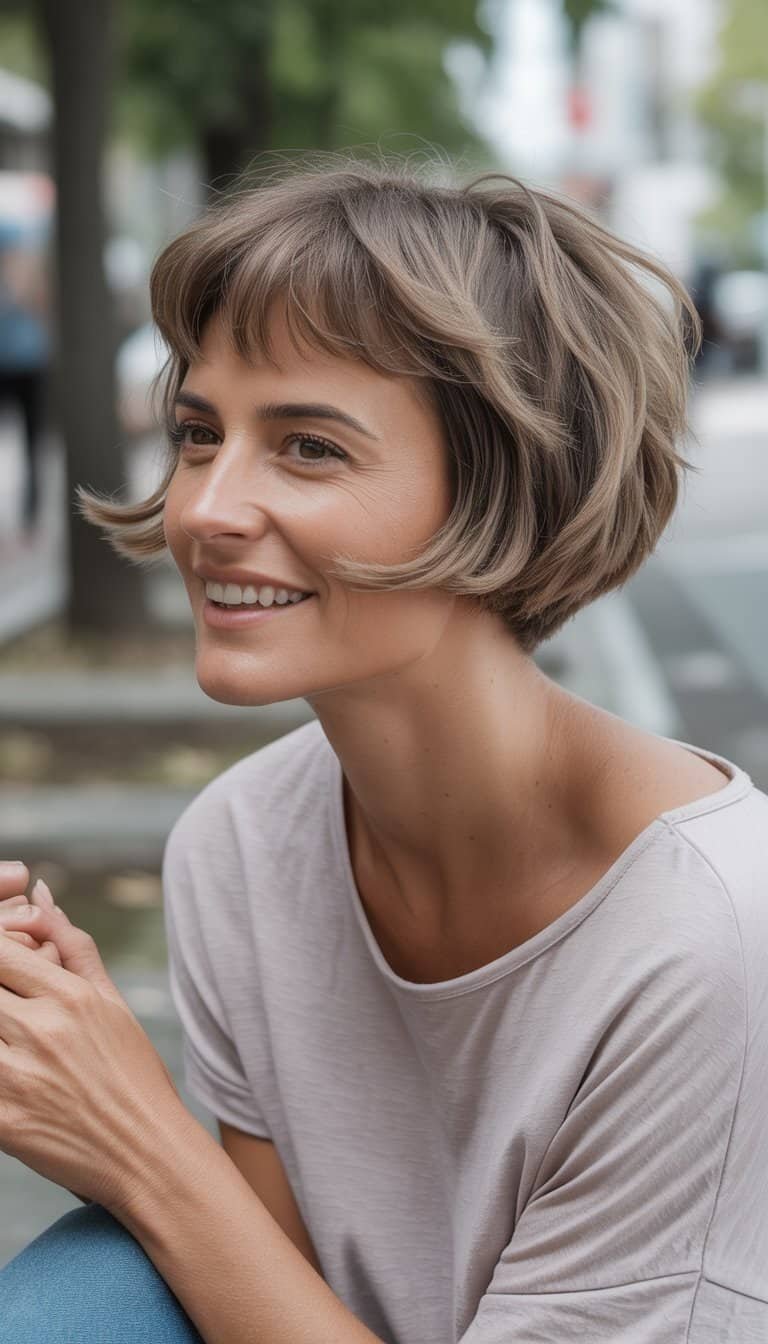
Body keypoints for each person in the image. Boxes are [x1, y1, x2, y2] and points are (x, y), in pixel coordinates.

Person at [0, 156, 766, 1343]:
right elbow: (256, 1294)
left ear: (505, 486)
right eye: (201, 434)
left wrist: (134, 1135)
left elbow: (188, 1206)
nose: (205, 509)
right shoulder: (243, 845)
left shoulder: (706, 940)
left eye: (308, 447)